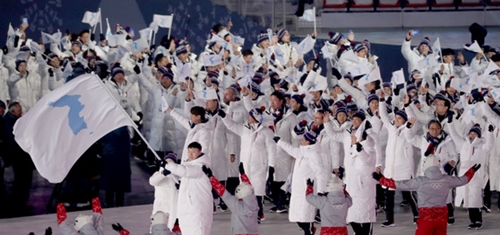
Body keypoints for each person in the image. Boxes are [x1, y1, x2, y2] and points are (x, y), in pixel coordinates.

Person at [373, 150, 482, 235]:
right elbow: (464, 180)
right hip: (442, 219)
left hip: (426, 219)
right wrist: (471, 170)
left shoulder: (420, 181)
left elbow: (398, 184)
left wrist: (381, 179)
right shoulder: (446, 179)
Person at [218, 106, 277, 222]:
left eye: (250, 115)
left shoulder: (266, 132)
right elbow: (231, 125)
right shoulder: (244, 129)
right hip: (244, 166)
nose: (248, 117)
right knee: (245, 190)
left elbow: (272, 149)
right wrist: (223, 116)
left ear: (255, 118)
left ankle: (259, 213)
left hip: (259, 166)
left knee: (258, 190)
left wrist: (271, 166)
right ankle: (247, 212)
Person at [274, 130, 328, 235]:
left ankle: (310, 232)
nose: (300, 141)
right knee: (298, 218)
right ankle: (310, 231)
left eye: (303, 139)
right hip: (298, 192)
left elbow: (321, 173)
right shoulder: (302, 152)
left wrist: (321, 191)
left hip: (307, 191)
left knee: (306, 218)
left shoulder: (314, 155)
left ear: (308, 142)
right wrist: (279, 141)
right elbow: (291, 149)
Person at [378, 91, 419, 226]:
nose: (396, 119)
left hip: (404, 168)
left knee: (408, 194)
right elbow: (383, 116)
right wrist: (382, 100)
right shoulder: (391, 128)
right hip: (391, 168)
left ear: (404, 119)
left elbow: (413, 117)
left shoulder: (409, 129)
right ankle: (390, 219)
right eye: (395, 117)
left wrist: (407, 104)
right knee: (389, 196)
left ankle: (417, 216)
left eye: (399, 118)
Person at [449, 123, 493, 229]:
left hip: (476, 176)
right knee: (468, 199)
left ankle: (478, 220)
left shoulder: (482, 146)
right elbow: (454, 135)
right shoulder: (463, 144)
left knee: (475, 199)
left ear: (478, 135)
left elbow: (490, 145)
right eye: (471, 133)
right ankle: (472, 221)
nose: (472, 136)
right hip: (465, 176)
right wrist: (450, 124)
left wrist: (490, 133)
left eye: (475, 134)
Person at [162, 142, 213, 235]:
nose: (190, 154)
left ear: (199, 152)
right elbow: (183, 179)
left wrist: (169, 164)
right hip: (188, 210)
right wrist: (171, 174)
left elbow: (185, 172)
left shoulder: (201, 167)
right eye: (188, 152)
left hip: (197, 210)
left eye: (193, 152)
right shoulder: (190, 165)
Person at [202, 163, 259, 235]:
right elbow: (248, 188)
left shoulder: (239, 207)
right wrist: (243, 174)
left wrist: (211, 177)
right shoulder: (253, 200)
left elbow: (225, 194)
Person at [3, 102, 34, 216]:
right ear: (13, 111)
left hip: (19, 159)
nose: (21, 113)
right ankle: (18, 207)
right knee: (21, 183)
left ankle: (20, 205)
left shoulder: (10, 122)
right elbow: (13, 144)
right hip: (19, 160)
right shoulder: (10, 124)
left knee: (21, 183)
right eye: (19, 111)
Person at [150, 152, 180, 230]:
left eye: (171, 161)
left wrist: (180, 186)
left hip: (173, 207)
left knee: (171, 228)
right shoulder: (158, 174)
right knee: (158, 227)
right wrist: (163, 174)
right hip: (161, 207)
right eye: (167, 161)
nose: (168, 163)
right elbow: (152, 181)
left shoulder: (178, 176)